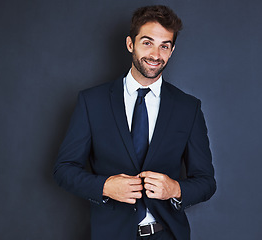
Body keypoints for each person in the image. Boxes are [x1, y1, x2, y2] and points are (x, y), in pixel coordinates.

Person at [53, 5, 216, 240]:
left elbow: (206, 182)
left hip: (167, 234)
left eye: (164, 46)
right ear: (131, 44)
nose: (155, 54)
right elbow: (64, 169)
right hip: (111, 234)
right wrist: (105, 187)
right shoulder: (92, 102)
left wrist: (176, 189)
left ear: (171, 51)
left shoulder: (188, 108)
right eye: (147, 42)